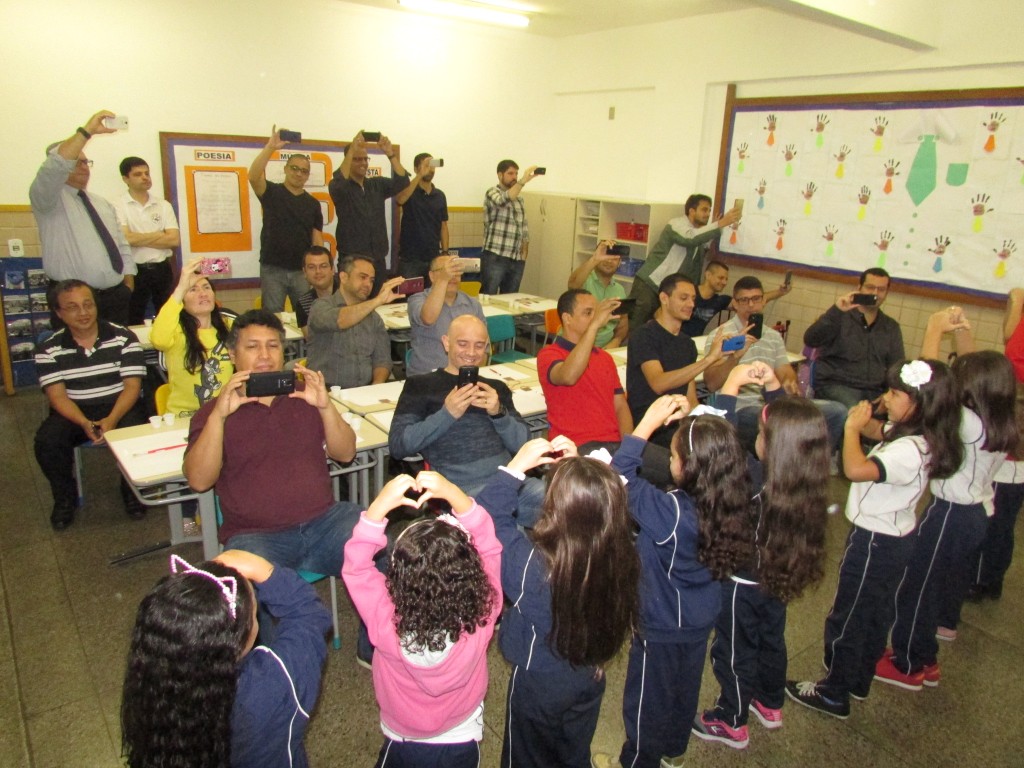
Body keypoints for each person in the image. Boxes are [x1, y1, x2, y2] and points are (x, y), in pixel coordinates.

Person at [785, 359, 962, 719]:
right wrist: (867, 416)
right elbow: (878, 430)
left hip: (874, 541)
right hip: (894, 539)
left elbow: (854, 469)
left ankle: (833, 692)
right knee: (875, 613)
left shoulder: (908, 451)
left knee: (850, 615)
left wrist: (850, 430)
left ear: (919, 403)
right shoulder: (917, 434)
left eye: (895, 393)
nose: (887, 397)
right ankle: (858, 679)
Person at [591, 396, 753, 768]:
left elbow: (619, 476)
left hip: (662, 623)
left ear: (691, 468)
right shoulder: (731, 499)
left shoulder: (671, 513)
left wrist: (646, 424)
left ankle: (638, 760)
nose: (668, 461)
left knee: (648, 698)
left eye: (675, 456)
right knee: (684, 688)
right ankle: (674, 750)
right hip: (700, 617)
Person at [476, 437, 640, 768]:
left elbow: (486, 518)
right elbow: (602, 503)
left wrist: (514, 468)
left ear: (554, 510)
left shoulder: (531, 566)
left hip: (539, 681)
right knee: (573, 750)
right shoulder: (624, 553)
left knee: (526, 756)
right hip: (590, 671)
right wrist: (583, 471)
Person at [876, 309, 1017, 690]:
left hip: (951, 516)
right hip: (976, 515)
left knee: (917, 587)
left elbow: (926, 384)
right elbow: (977, 371)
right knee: (936, 587)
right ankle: (925, 656)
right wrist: (964, 332)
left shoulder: (966, 422)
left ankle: (907, 664)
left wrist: (935, 331)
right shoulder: (998, 417)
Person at [691, 363, 829, 749]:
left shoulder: (750, 477)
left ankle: (731, 718)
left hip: (741, 583)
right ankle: (769, 702)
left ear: (770, 443)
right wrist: (772, 386)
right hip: (778, 571)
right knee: (771, 639)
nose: (756, 435)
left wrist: (732, 386)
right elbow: (788, 424)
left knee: (734, 650)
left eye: (762, 432)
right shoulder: (802, 475)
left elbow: (717, 444)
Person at [183, 309, 360, 578]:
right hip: (256, 535)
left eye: (273, 346)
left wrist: (326, 407)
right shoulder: (213, 412)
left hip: (325, 522)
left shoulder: (306, 396)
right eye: (252, 347)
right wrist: (219, 417)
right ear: (233, 355)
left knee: (392, 557)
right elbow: (199, 481)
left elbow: (346, 453)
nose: (264, 355)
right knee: (248, 592)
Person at [342, 470, 501, 767]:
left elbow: (357, 568)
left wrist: (377, 508)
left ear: (397, 578)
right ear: (470, 572)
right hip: (462, 736)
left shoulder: (384, 619)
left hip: (403, 739)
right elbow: (489, 546)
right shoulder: (484, 609)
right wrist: (452, 492)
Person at [121, 550, 331, 768]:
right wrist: (265, 571)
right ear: (239, 640)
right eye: (254, 614)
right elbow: (310, 615)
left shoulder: (150, 686)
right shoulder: (272, 681)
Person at [389, 314, 543, 526]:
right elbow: (398, 445)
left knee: (575, 503)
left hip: (511, 481)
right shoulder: (420, 386)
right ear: (446, 343)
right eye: (463, 344)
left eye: (479, 345)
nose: (471, 353)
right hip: (460, 491)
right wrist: (447, 414)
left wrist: (499, 413)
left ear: (487, 347)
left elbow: (523, 445)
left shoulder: (496, 388)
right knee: (501, 527)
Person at [34, 280, 147, 530]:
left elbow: (132, 387)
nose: (83, 312)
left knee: (139, 429)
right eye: (73, 307)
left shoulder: (124, 337)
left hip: (120, 405)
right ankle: (65, 498)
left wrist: (112, 419)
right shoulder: (48, 348)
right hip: (75, 410)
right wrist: (85, 422)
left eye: (88, 305)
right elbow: (58, 397)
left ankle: (131, 491)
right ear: (59, 313)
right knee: (47, 441)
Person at [703, 276, 847, 453]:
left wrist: (789, 382)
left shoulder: (773, 336)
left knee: (837, 411)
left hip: (774, 403)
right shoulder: (721, 335)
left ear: (763, 301)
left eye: (756, 299)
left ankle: (811, 462)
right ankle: (785, 460)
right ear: (735, 303)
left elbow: (785, 372)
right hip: (742, 408)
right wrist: (734, 358)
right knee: (774, 421)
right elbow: (712, 384)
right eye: (744, 300)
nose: (751, 305)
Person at [29, 109, 136, 324]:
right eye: (77, 162)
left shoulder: (102, 203)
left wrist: (127, 284)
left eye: (86, 162)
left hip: (115, 298)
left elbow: (121, 245)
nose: (84, 167)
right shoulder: (48, 199)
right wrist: (87, 132)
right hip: (73, 301)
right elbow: (55, 166)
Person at [626, 274, 730, 447]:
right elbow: (658, 383)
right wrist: (709, 360)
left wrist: (702, 421)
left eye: (693, 299)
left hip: (678, 423)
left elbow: (690, 398)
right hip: (652, 426)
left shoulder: (687, 344)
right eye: (683, 298)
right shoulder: (643, 336)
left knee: (723, 438)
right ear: (664, 298)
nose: (691, 304)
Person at [969, 287, 1024, 601]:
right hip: (1014, 434)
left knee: (997, 514)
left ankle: (980, 579)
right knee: (1005, 516)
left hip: (1014, 438)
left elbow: (1012, 359)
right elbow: (1009, 335)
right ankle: (992, 579)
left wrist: (1017, 301)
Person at [626, 194, 741, 329]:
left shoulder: (698, 234)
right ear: (691, 211)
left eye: (709, 211)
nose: (707, 214)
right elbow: (689, 239)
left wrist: (717, 228)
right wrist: (719, 224)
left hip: (668, 291)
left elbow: (701, 248)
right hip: (650, 285)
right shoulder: (676, 224)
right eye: (704, 210)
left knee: (657, 330)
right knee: (635, 326)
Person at [803, 268, 905, 409]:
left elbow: (897, 367)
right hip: (836, 385)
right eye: (870, 287)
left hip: (875, 390)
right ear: (859, 288)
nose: (875, 293)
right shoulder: (839, 316)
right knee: (858, 411)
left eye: (881, 289)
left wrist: (889, 394)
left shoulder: (891, 327)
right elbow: (810, 340)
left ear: (887, 293)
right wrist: (836, 310)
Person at [248, 127, 324, 312]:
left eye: (304, 171)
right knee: (273, 319)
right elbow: (253, 176)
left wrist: (319, 270)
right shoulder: (271, 192)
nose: (299, 174)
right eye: (294, 168)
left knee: (306, 315)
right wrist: (270, 147)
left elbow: (317, 240)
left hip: (302, 272)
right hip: (273, 270)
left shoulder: (313, 204)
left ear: (307, 175)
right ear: (285, 169)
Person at [329, 131, 412, 297]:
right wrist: (352, 148)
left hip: (377, 260)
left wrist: (390, 153)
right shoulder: (340, 187)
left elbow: (403, 181)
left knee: (377, 303)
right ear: (348, 160)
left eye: (365, 159)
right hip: (352, 261)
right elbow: (339, 181)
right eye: (357, 159)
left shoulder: (376, 184)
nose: (363, 163)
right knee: (351, 303)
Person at [150, 256, 235, 416]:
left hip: (225, 413)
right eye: (193, 289)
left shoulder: (229, 325)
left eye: (206, 287)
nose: (203, 294)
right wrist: (180, 288)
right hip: (184, 417)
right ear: (181, 301)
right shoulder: (176, 331)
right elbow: (158, 340)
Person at [306, 255, 400, 388]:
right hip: (326, 390)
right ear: (344, 277)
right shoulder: (320, 306)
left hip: (365, 390)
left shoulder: (374, 319)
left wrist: (376, 385)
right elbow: (340, 320)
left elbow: (382, 360)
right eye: (362, 277)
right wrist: (378, 300)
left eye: (371, 280)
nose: (368, 284)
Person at [114, 156, 180, 325]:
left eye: (147, 173)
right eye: (138, 174)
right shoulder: (118, 205)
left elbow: (173, 239)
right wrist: (158, 234)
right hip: (134, 271)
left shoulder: (163, 205)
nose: (145, 177)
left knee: (167, 317)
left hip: (162, 269)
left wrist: (138, 238)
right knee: (133, 318)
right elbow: (126, 238)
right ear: (125, 179)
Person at [406, 254, 484, 376]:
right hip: (426, 376)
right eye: (446, 271)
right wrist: (443, 280)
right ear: (432, 276)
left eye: (456, 270)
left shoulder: (473, 304)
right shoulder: (417, 300)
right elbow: (428, 318)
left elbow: (483, 347)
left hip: (463, 375)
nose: (452, 276)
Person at [481, 159, 540, 295]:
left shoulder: (519, 199)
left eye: (516, 174)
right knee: (488, 296)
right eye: (510, 173)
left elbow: (524, 226)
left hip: (516, 258)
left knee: (511, 298)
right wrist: (523, 181)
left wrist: (524, 253)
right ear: (500, 175)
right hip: (496, 255)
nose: (514, 177)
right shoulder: (492, 192)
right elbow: (503, 201)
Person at [395, 152, 449, 282]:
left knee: (433, 293)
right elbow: (400, 200)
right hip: (410, 259)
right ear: (415, 169)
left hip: (433, 258)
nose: (430, 169)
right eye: (426, 165)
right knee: (409, 294)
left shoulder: (440, 195)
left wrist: (445, 252)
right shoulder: (410, 191)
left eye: (432, 165)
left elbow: (443, 226)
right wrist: (420, 175)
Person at [566, 240, 628, 348]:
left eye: (614, 258)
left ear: (619, 263)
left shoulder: (619, 290)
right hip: (576, 347)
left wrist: (616, 341)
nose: (609, 261)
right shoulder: (584, 280)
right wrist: (595, 259)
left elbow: (623, 323)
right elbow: (573, 284)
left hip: (605, 349)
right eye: (606, 256)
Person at [294, 246, 339, 335]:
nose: (318, 271)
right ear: (304, 272)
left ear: (333, 269)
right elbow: (311, 340)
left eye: (323, 266)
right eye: (312, 267)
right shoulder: (303, 303)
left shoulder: (348, 292)